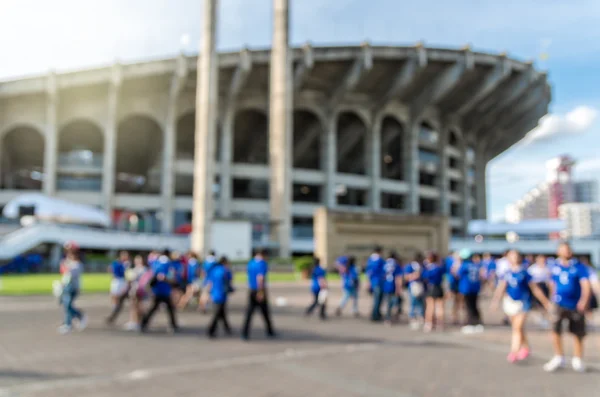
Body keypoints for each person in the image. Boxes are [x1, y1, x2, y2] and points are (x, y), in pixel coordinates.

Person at [491, 249, 551, 363]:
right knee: (519, 328)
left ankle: (514, 351)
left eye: (515, 255)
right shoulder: (507, 273)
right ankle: (526, 348)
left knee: (517, 328)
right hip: (510, 302)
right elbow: (501, 288)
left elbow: (534, 288)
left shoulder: (524, 272)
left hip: (524, 302)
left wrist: (545, 302)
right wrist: (495, 301)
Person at [543, 243, 591, 372]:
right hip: (558, 303)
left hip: (575, 304)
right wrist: (551, 299)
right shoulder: (555, 267)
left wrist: (584, 301)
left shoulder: (579, 267)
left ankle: (577, 358)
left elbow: (586, 284)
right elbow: (552, 284)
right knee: (555, 329)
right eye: (563, 250)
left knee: (578, 332)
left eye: (568, 250)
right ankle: (559, 356)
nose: (566, 252)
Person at [140, 250, 179, 333]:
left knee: (154, 308)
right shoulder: (169, 264)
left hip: (156, 290)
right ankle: (173, 325)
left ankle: (143, 323)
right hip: (165, 290)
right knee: (169, 309)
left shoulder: (156, 263)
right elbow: (172, 277)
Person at [241, 249, 276, 340]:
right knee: (265, 312)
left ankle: (245, 332)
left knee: (249, 312)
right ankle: (270, 331)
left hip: (251, 289)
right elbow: (260, 278)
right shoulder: (262, 264)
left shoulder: (251, 263)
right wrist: (261, 292)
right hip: (259, 290)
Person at [57, 244, 88, 334]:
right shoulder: (68, 262)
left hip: (72, 287)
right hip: (66, 286)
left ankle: (70, 322)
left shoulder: (77, 265)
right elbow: (63, 271)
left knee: (68, 305)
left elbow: (68, 273)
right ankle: (73, 319)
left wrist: (65, 265)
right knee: (67, 305)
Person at [456, 252, 485, 334]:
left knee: (468, 306)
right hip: (475, 288)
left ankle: (470, 323)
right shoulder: (476, 265)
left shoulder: (464, 265)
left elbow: (458, 274)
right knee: (474, 305)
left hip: (466, 288)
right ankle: (477, 321)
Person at [205, 256, 233, 338]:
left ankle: (227, 328)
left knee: (221, 312)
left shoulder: (214, 270)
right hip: (222, 293)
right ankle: (211, 330)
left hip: (215, 293)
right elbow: (229, 281)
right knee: (217, 313)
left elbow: (210, 282)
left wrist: (208, 293)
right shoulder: (225, 270)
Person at [124, 254, 152, 331]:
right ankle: (133, 321)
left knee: (139, 307)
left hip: (140, 290)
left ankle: (138, 322)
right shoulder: (136, 269)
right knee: (133, 306)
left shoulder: (144, 270)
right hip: (134, 290)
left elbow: (145, 281)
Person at [106, 251, 131, 325]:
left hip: (122, 281)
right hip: (117, 281)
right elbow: (110, 268)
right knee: (115, 297)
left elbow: (128, 274)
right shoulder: (117, 263)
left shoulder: (126, 264)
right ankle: (114, 310)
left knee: (121, 298)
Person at [423, 252, 445, 332]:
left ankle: (429, 323)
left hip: (431, 287)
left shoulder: (429, 268)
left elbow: (425, 276)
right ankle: (440, 324)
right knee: (440, 307)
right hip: (439, 287)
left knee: (430, 307)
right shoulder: (439, 267)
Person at [527, 254, 552, 328]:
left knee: (545, 305)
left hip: (545, 287)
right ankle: (541, 318)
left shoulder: (548, 268)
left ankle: (544, 318)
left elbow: (550, 280)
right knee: (538, 305)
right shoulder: (532, 269)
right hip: (536, 287)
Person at [404, 253, 425, 330]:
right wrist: (414, 276)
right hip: (413, 286)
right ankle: (412, 316)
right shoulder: (411, 266)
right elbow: (406, 276)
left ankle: (420, 316)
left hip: (420, 286)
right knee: (413, 302)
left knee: (420, 302)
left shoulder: (422, 266)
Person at [366, 246, 386, 322]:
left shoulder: (370, 260)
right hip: (379, 282)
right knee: (378, 299)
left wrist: (368, 282)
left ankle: (375, 314)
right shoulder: (380, 260)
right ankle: (375, 315)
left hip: (373, 282)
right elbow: (384, 271)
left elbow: (369, 272)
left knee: (375, 299)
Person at [382, 252, 403, 326]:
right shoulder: (396, 265)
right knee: (396, 301)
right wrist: (399, 288)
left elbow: (383, 275)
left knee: (388, 303)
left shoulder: (385, 264)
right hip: (393, 286)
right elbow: (398, 277)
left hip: (386, 285)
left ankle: (387, 318)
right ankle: (395, 315)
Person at [445, 252, 463, 325]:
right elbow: (453, 274)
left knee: (458, 302)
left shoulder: (461, 264)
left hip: (459, 285)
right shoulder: (452, 263)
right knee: (454, 301)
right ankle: (454, 316)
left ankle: (456, 316)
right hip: (454, 284)